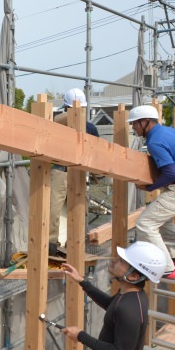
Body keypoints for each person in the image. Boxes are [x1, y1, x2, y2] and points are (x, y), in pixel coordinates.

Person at [61, 241, 167, 350]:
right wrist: (82, 281)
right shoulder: (129, 295)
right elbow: (111, 306)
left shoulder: (129, 309)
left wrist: (81, 335)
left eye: (123, 262)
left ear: (133, 276)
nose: (115, 260)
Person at [128, 104, 175, 279]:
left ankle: (167, 269)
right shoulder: (172, 131)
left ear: (145, 122)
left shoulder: (154, 141)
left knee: (145, 224)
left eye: (135, 124)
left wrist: (149, 187)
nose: (133, 128)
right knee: (162, 219)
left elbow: (171, 173)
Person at [49, 88, 100, 247]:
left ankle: (68, 243)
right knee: (56, 209)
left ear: (65, 107)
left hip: (72, 171)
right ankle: (53, 244)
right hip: (63, 169)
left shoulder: (89, 128)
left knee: (70, 209)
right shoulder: (59, 124)